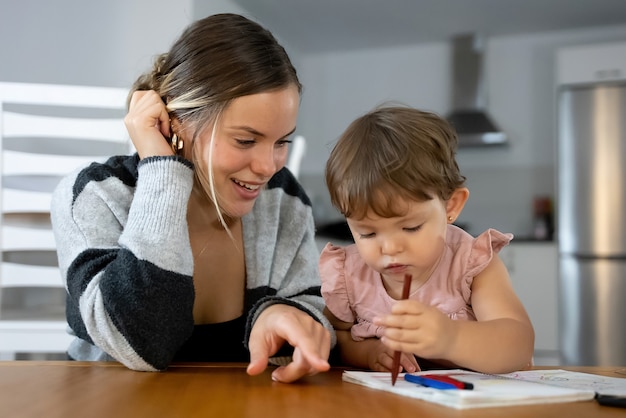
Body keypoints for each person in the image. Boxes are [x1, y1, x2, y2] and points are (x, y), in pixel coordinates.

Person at [50, 13, 334, 383]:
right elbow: (144, 344)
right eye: (245, 140)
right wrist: (162, 170)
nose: (268, 166)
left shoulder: (283, 199)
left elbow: (314, 311)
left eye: (281, 141)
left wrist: (284, 314)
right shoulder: (94, 196)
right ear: (176, 123)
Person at [319, 105, 534, 375]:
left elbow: (518, 344)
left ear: (450, 207)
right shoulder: (350, 275)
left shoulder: (471, 264)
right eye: (368, 233)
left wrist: (450, 338)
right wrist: (369, 353)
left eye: (410, 227)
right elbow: (334, 337)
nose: (390, 247)